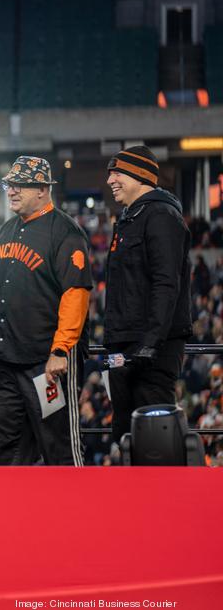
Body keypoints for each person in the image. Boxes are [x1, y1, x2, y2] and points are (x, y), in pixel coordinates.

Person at [0, 156, 92, 466]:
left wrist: (61, 349)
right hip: (7, 362)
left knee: (58, 444)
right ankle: (5, 512)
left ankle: (73, 511)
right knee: (2, 447)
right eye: (10, 184)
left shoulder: (65, 231)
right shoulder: (7, 229)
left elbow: (75, 294)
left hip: (46, 364)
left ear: (42, 190)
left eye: (21, 185)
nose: (12, 191)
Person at [104, 146, 192, 444]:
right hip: (124, 345)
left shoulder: (162, 215)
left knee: (154, 440)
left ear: (138, 175)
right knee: (124, 436)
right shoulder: (130, 217)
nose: (110, 180)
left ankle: (162, 493)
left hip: (152, 350)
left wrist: (150, 343)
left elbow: (167, 283)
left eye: (116, 173)